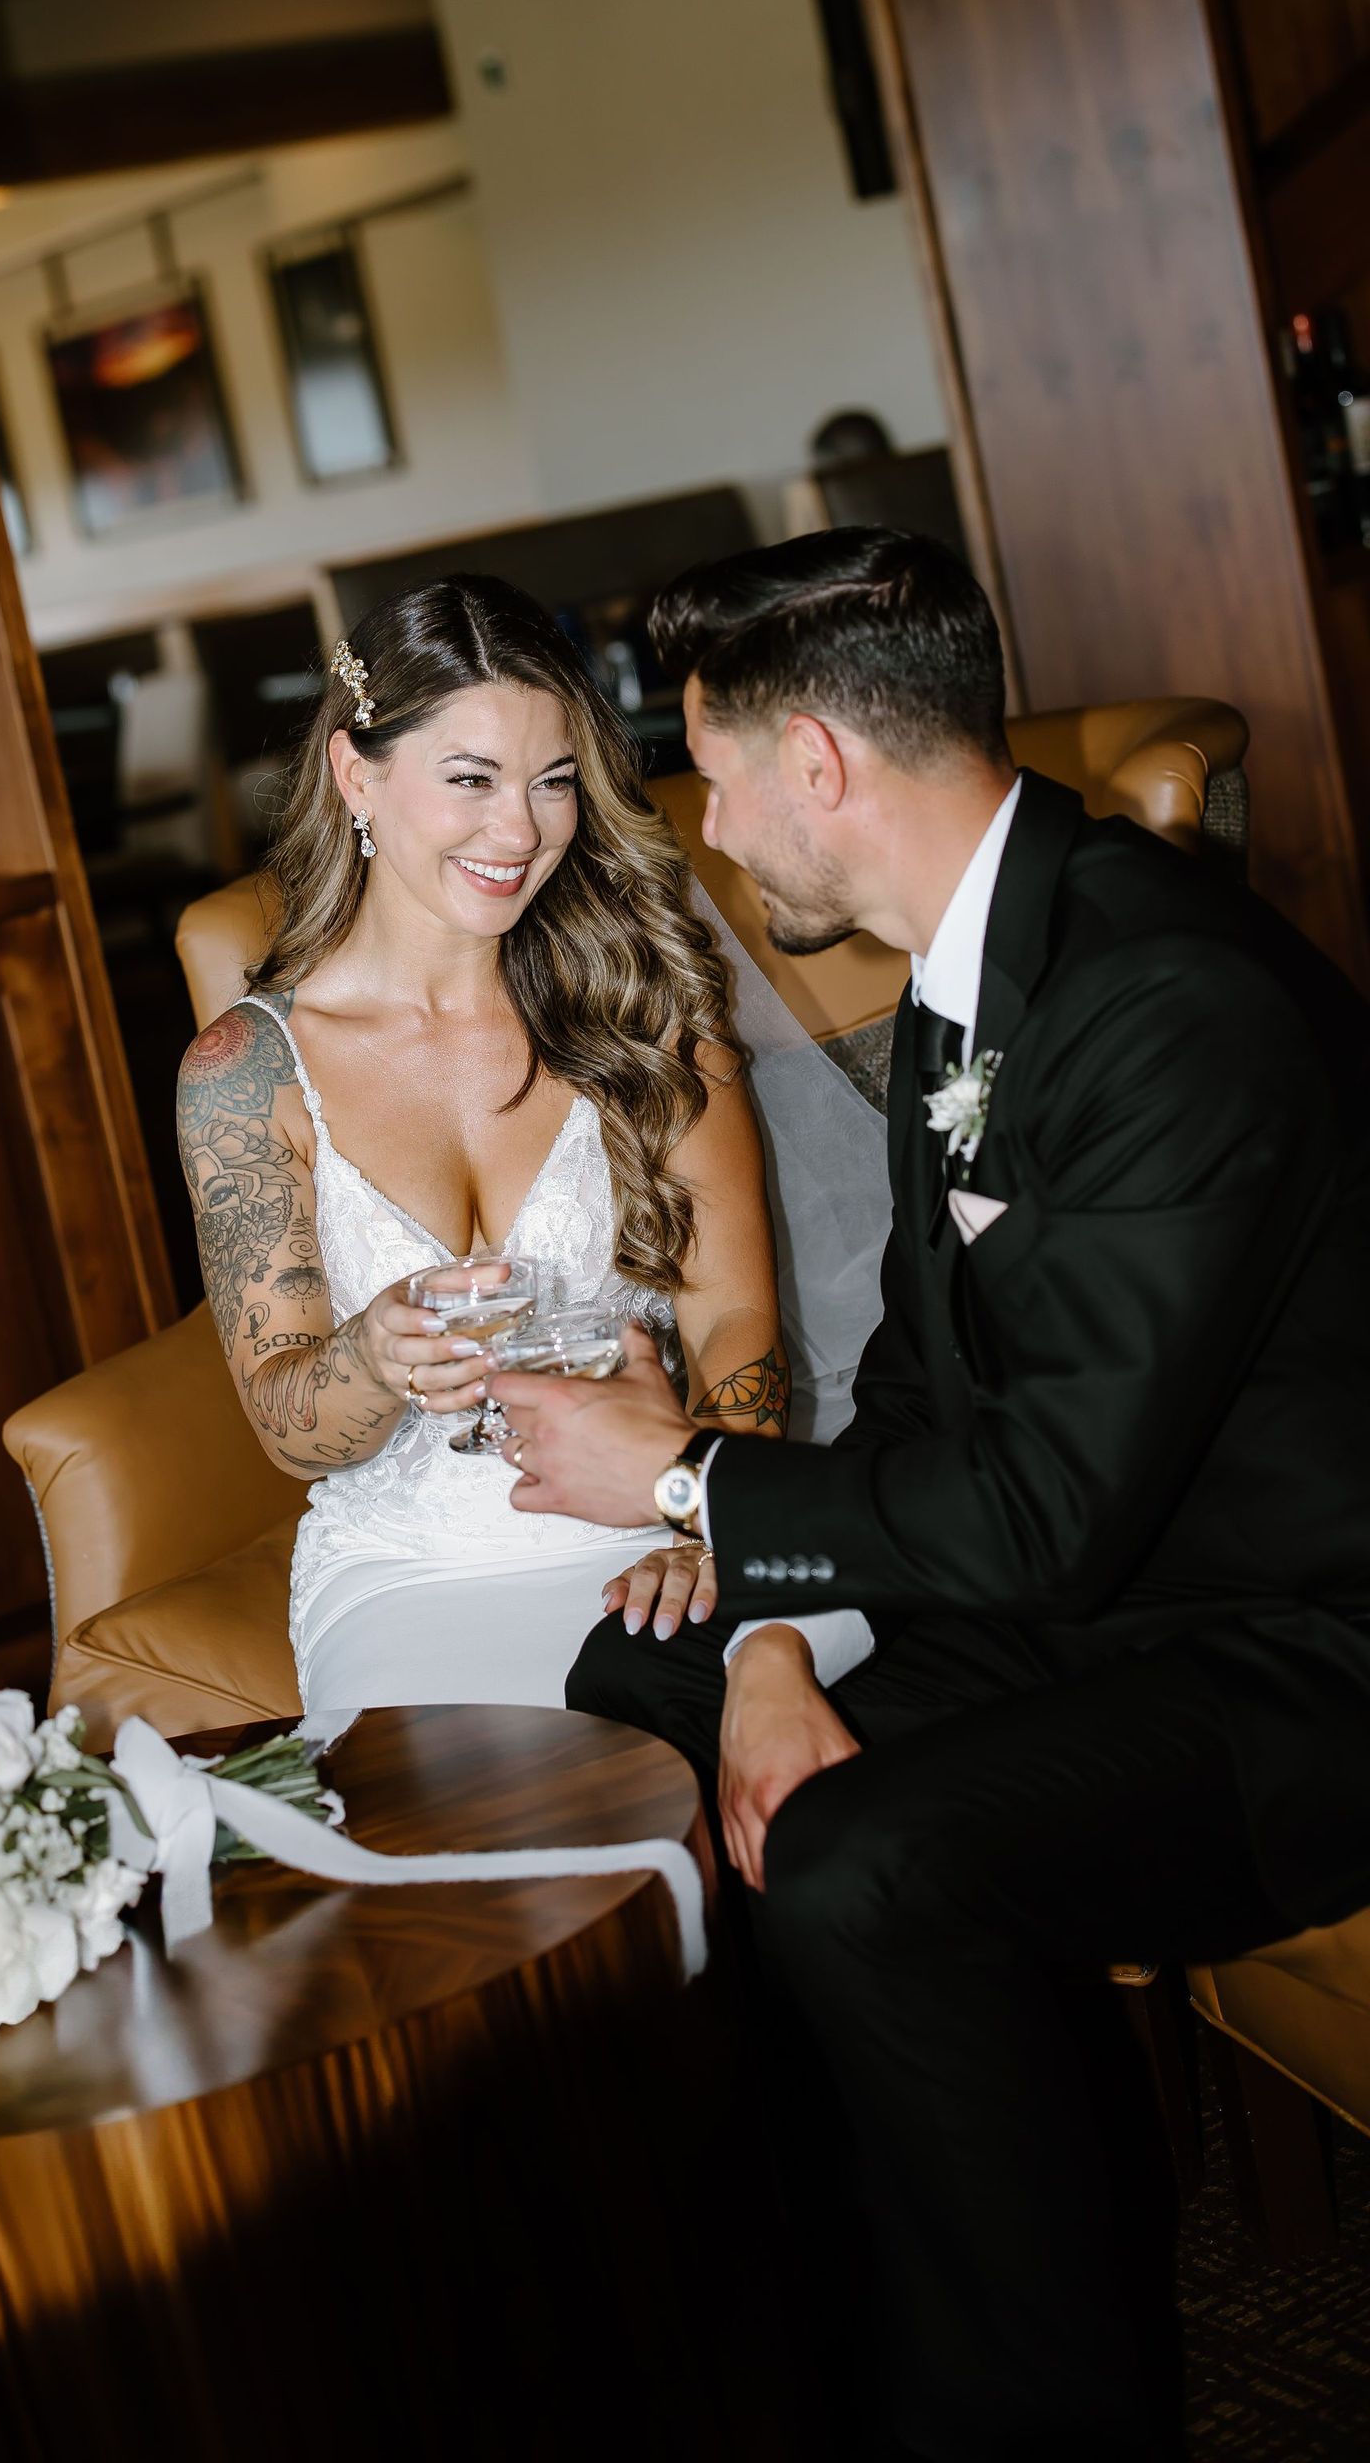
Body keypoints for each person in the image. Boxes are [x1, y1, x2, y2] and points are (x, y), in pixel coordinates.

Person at [492, 525, 1370, 2463]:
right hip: (1100, 1599)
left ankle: (1044, 2416)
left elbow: (1047, 1508)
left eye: (717, 776)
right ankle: (816, 2343)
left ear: (820, 766)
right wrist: (771, 1636)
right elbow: (916, 1379)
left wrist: (689, 1475)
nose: (712, 834)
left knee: (869, 1862)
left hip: (1298, 1656)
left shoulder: (1169, 1004)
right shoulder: (971, 967)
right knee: (640, 1695)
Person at [173, 572, 883, 1717]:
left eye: (554, 783)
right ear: (358, 773)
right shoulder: (246, 1075)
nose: (521, 830)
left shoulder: (648, 1016)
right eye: (471, 780)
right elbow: (289, 1428)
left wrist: (705, 1517)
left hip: (664, 1521)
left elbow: (733, 1316)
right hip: (415, 1572)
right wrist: (372, 1359)